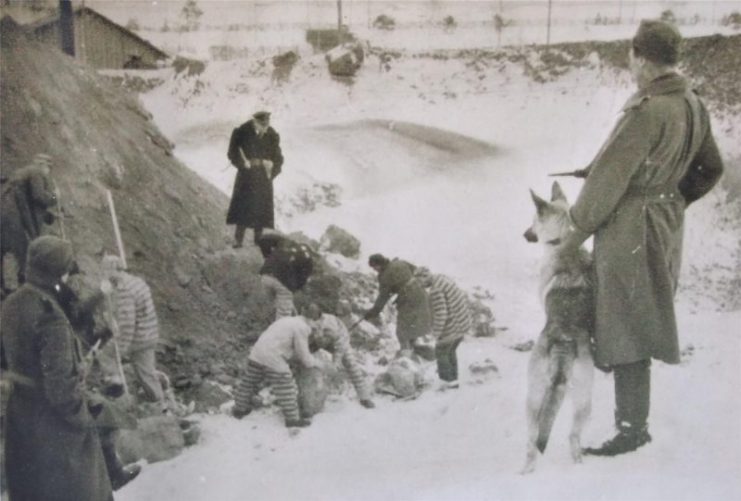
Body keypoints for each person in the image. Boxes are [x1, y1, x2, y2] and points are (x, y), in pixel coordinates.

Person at [563, 20, 724, 456]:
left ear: (640, 57)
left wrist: (571, 235)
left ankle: (631, 431)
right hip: (663, 224)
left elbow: (604, 190)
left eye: (632, 57)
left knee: (626, 324)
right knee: (642, 318)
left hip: (629, 227)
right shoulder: (692, 103)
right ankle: (635, 424)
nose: (630, 65)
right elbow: (711, 168)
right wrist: (670, 197)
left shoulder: (647, 110)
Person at [1, 236, 113, 501]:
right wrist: (84, 419)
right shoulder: (50, 316)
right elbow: (61, 390)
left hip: (22, 422)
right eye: (65, 270)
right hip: (58, 434)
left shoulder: (11, 304)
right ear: (57, 272)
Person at [232, 308, 322, 428]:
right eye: (317, 323)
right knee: (286, 386)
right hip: (273, 357)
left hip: (257, 353)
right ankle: (292, 420)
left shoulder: (287, 320)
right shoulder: (302, 327)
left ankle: (239, 409)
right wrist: (317, 363)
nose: (316, 326)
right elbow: (304, 357)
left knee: (248, 382)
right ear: (312, 319)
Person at [99, 255, 166, 408]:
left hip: (138, 337)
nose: (103, 275)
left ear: (113, 270)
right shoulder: (137, 282)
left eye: (105, 271)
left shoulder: (124, 291)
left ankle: (118, 395)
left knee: (105, 356)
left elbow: (127, 326)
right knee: (146, 373)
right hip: (149, 334)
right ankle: (160, 405)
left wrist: (118, 350)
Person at [226, 110, 284, 248]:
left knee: (261, 208)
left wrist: (272, 169)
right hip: (247, 175)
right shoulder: (242, 131)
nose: (265, 127)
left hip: (264, 177)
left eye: (267, 124)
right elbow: (232, 152)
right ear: (255, 122)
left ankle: (258, 240)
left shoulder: (272, 135)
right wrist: (242, 163)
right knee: (243, 207)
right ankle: (238, 240)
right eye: (262, 124)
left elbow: (279, 158)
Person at [1, 153, 57, 291]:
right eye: (49, 168)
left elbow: (27, 204)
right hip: (12, 216)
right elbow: (38, 196)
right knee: (24, 250)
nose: (48, 172)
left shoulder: (21, 173)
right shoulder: (37, 172)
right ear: (44, 166)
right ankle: (25, 288)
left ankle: (2, 287)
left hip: (4, 212)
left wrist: (46, 216)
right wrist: (55, 196)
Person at [414, 267, 472, 390]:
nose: (420, 285)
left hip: (452, 326)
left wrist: (436, 334)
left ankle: (448, 382)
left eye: (420, 281)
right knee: (450, 351)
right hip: (462, 322)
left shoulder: (435, 291)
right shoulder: (442, 278)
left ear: (425, 276)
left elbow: (441, 314)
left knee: (440, 351)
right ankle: (453, 379)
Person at [309, 304, 375, 408]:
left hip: (338, 342)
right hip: (316, 342)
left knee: (351, 364)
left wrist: (336, 364)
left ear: (319, 313)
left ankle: (365, 397)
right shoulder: (306, 322)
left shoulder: (332, 326)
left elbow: (339, 348)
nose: (312, 316)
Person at [364, 253, 432, 353]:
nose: (375, 270)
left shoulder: (384, 276)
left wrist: (373, 312)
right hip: (421, 293)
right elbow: (417, 271)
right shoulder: (400, 263)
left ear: (379, 264)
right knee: (416, 324)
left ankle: (405, 355)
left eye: (374, 267)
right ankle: (417, 349)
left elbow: (383, 297)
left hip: (408, 298)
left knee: (402, 328)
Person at [258, 232, 314, 320]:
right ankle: (280, 330)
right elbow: (302, 279)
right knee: (283, 318)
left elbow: (263, 238)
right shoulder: (308, 259)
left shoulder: (286, 242)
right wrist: (295, 288)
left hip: (265, 276)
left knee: (278, 304)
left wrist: (267, 256)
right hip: (283, 281)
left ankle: (288, 322)